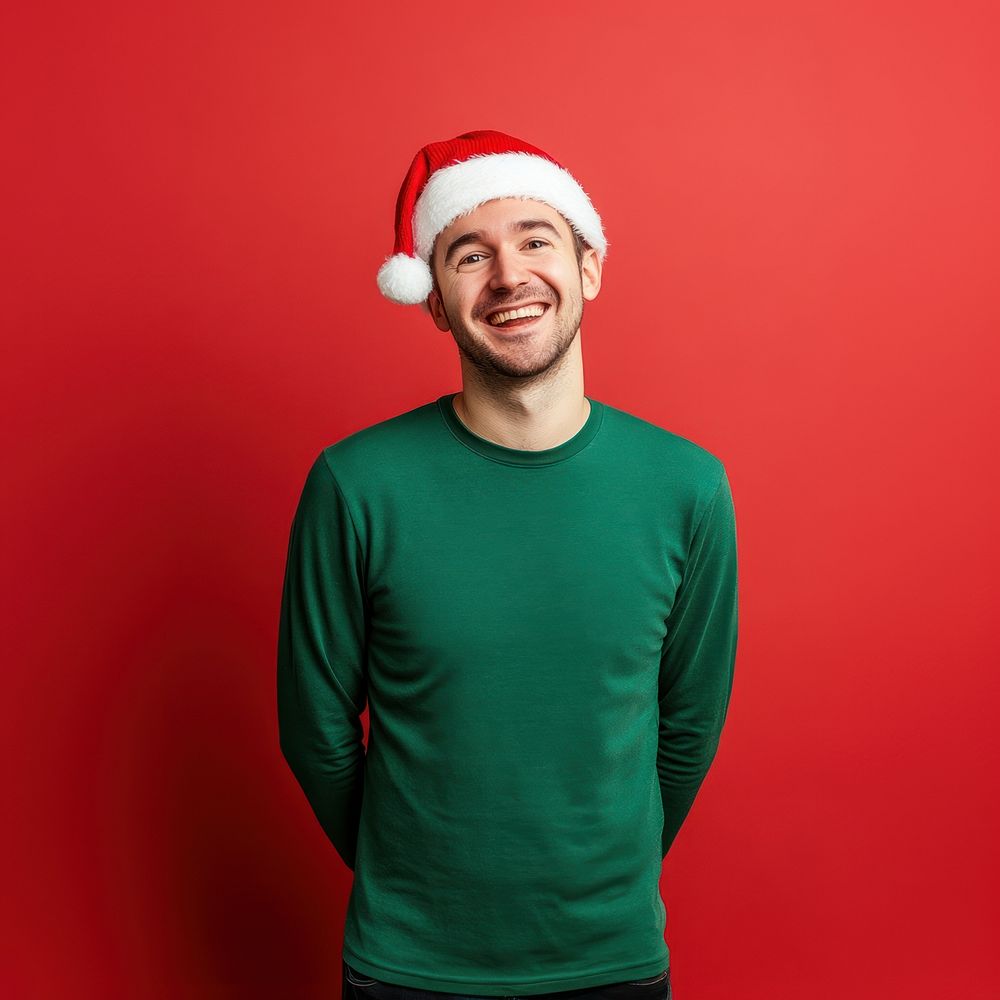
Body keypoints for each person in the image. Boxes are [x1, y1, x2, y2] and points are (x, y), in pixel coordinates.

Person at [277, 129, 739, 1000]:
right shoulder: (355, 484)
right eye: (468, 255)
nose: (508, 277)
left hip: (612, 962)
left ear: (588, 267)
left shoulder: (687, 487)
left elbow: (688, 731)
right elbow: (316, 733)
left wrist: (599, 876)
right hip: (406, 968)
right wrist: (410, 876)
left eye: (536, 240)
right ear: (435, 302)